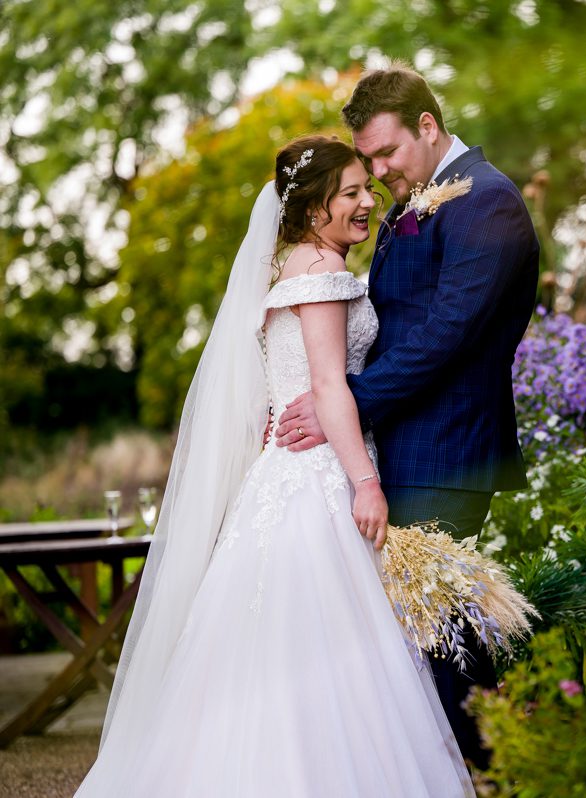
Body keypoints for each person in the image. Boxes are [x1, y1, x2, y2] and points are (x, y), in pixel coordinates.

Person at [75, 135, 475, 797]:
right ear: (314, 206)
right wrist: (367, 483)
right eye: (349, 192)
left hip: (294, 471)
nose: (364, 201)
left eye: (365, 189)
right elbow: (325, 385)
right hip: (318, 478)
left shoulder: (298, 263)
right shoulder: (319, 269)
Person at [273, 64, 540, 768]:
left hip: (446, 450)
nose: (379, 171)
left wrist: (345, 399)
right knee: (428, 638)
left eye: (386, 154)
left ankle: (505, 767)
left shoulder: (488, 203)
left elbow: (446, 334)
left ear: (428, 126)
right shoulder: (414, 204)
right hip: (401, 446)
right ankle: (492, 764)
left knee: (443, 641)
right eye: (368, 160)